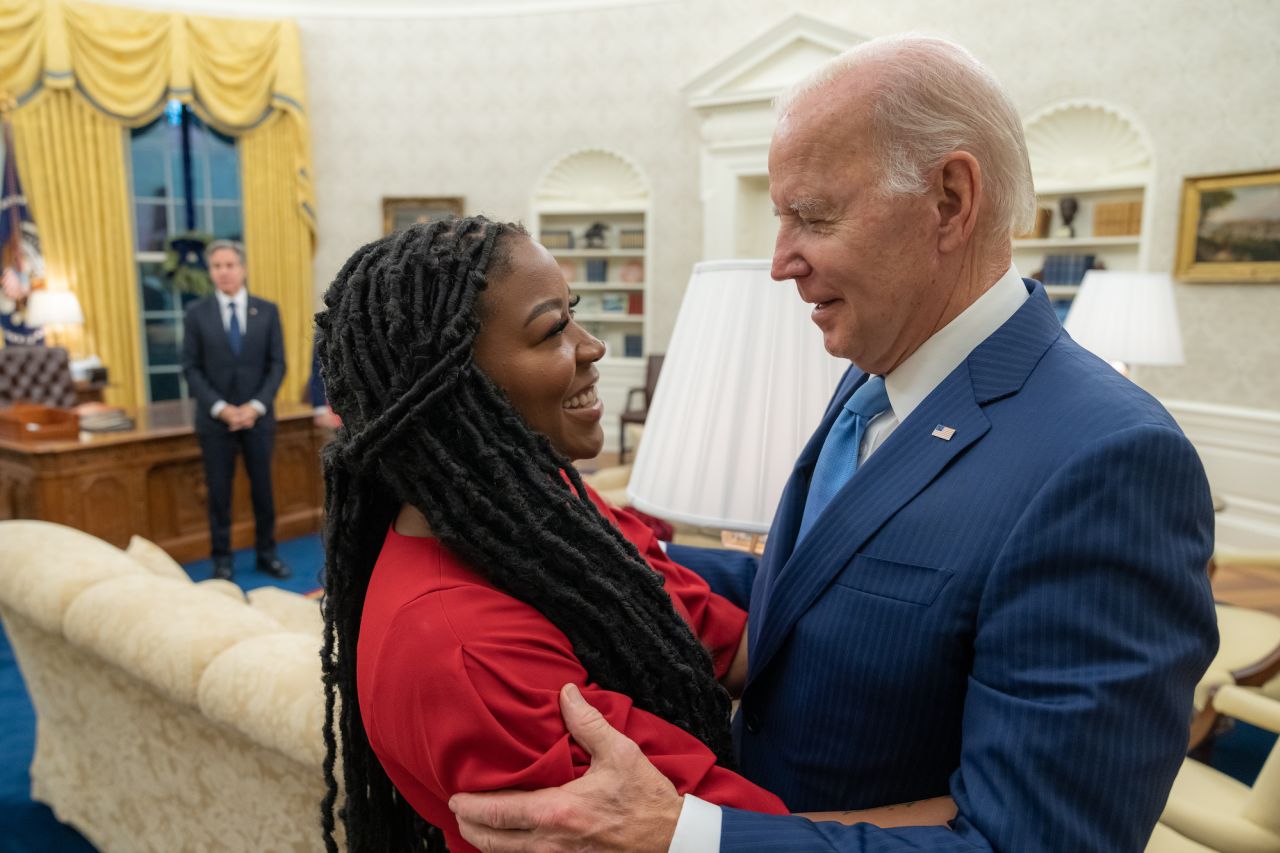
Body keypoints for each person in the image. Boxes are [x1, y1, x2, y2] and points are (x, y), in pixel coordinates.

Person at [449, 35, 1219, 853]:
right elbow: (817, 587)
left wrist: (689, 837)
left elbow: (1034, 840)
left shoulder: (1112, 461)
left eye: (812, 217)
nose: (781, 262)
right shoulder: (875, 372)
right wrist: (576, 542)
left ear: (951, 201)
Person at [315, 218, 959, 853]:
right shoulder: (463, 648)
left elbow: (728, 645)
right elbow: (730, 834)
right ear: (457, 396)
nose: (592, 346)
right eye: (551, 332)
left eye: (574, 313)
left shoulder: (553, 512)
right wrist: (984, 820)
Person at [181, 239, 290, 582]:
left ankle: (266, 554)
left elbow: (278, 365)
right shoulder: (196, 314)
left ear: (242, 269)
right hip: (216, 423)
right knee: (219, 493)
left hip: (258, 420)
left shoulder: (267, 310)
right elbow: (191, 369)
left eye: (230, 265)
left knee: (263, 491)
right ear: (210, 272)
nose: (224, 272)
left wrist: (255, 407)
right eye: (217, 266)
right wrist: (222, 408)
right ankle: (222, 559)